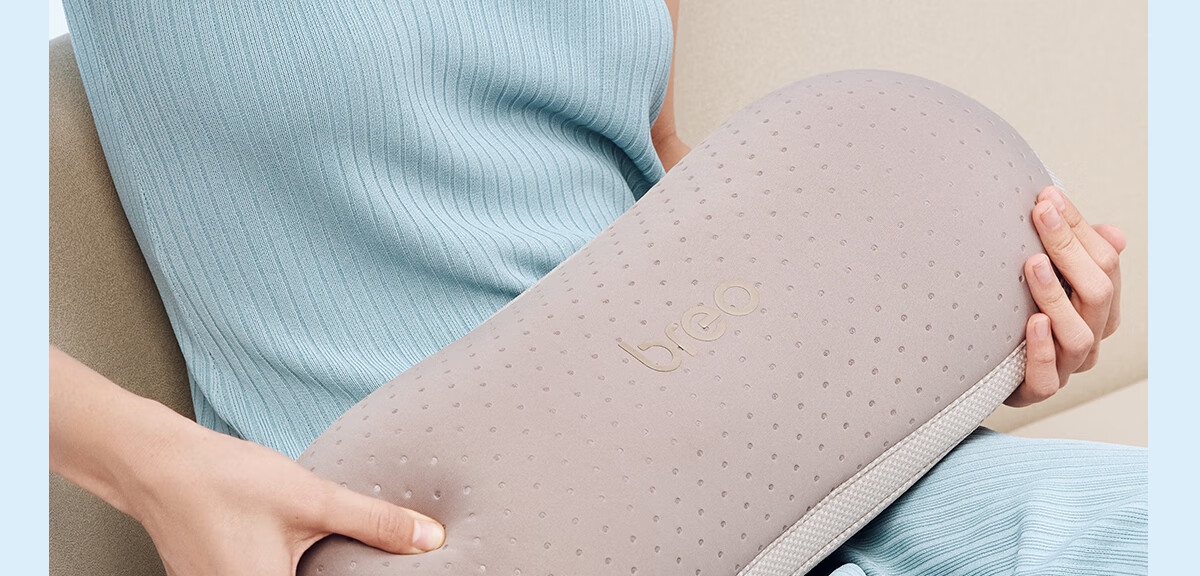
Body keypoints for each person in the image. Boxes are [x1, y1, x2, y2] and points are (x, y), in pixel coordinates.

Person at [50, 1, 1146, 574]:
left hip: (761, 463)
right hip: (427, 534)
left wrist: (959, 333)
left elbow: (660, 183)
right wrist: (157, 468)